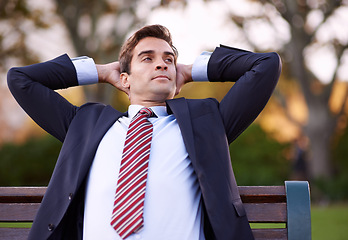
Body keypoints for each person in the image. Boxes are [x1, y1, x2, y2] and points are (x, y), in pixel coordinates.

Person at [7, 24, 281, 240]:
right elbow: (21, 79)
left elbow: (266, 65)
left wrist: (192, 70)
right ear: (124, 79)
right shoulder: (85, 124)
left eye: (168, 60)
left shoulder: (207, 123)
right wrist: (100, 71)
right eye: (147, 59)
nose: (161, 64)